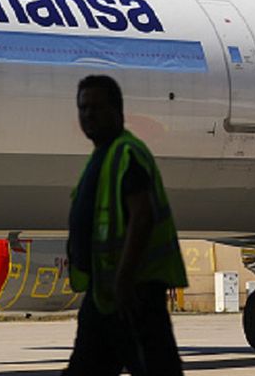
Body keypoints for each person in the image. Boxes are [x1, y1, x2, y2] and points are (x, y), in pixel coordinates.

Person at [63, 75, 188, 376]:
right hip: (105, 293)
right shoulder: (103, 156)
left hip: (133, 292)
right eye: (83, 108)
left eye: (96, 107)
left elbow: (142, 216)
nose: (88, 114)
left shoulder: (126, 154)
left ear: (117, 111)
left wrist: (124, 278)